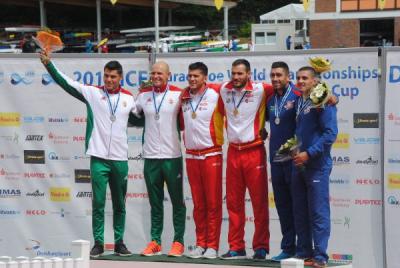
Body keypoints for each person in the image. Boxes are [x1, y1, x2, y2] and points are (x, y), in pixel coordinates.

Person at [39, 51, 134, 258]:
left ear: (120, 78)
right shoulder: (92, 93)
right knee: (98, 203)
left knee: (120, 204)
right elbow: (67, 83)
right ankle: (98, 242)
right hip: (99, 158)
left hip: (120, 160)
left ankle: (119, 242)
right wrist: (49, 65)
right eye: (106, 76)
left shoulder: (129, 98)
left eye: (113, 76)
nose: (109, 80)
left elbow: (140, 120)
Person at [219, 59, 274, 260]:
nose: (236, 77)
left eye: (240, 74)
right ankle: (236, 246)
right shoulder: (224, 89)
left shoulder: (261, 89)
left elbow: (286, 88)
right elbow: (201, 87)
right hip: (233, 152)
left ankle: (260, 246)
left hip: (254, 151)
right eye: (233, 73)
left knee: (259, 202)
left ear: (248, 74)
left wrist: (325, 96)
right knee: (234, 203)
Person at [133, 61, 186, 257]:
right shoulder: (143, 96)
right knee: (155, 202)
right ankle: (155, 241)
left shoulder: (178, 95)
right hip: (151, 158)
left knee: (177, 202)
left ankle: (178, 242)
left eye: (160, 74)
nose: (156, 76)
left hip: (172, 157)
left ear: (168, 75)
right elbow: (131, 113)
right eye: (153, 73)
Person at [292, 66, 338, 268]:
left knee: (318, 212)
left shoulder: (323, 100)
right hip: (299, 165)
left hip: (316, 164)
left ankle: (320, 256)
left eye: (305, 78)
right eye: (298, 78)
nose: (301, 81)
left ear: (315, 81)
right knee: (301, 212)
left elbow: (330, 134)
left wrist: (309, 153)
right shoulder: (300, 99)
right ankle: (304, 253)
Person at [181, 62, 224, 259]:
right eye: (190, 76)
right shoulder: (183, 96)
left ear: (205, 78)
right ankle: (201, 244)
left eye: (196, 76)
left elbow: (241, 87)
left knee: (213, 203)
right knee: (198, 204)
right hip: (191, 155)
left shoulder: (217, 93)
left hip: (211, 154)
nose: (192, 79)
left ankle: (213, 246)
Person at [266, 62, 302, 262]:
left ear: (288, 77)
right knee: (283, 206)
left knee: (298, 205)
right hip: (276, 161)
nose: (275, 78)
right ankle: (288, 247)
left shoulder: (298, 96)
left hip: (294, 161)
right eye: (272, 75)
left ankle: (304, 248)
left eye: (279, 75)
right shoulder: (270, 99)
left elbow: (304, 127)